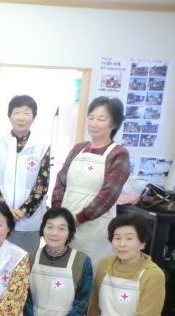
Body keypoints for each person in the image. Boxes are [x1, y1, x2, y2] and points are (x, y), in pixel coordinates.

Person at [13, 207, 93, 316]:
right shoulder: (31, 257)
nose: (54, 233)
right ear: (42, 229)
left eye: (61, 228)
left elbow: (82, 303)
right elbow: (24, 296)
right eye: (50, 227)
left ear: (70, 232)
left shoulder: (82, 261)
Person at [51, 96, 129, 271]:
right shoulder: (78, 148)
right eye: (91, 117)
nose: (93, 123)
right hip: (65, 222)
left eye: (101, 119)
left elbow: (109, 194)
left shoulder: (118, 154)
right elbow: (61, 181)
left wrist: (79, 218)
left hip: (94, 226)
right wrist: (58, 213)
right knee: (63, 270)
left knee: (88, 271)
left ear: (114, 124)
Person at [0, 95, 51, 251]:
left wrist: (23, 211)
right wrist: (4, 209)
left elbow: (42, 184)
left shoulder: (42, 146)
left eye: (26, 113)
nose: (21, 118)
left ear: (33, 117)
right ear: (9, 116)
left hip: (28, 221)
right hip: (0, 217)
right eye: (17, 112)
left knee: (25, 260)